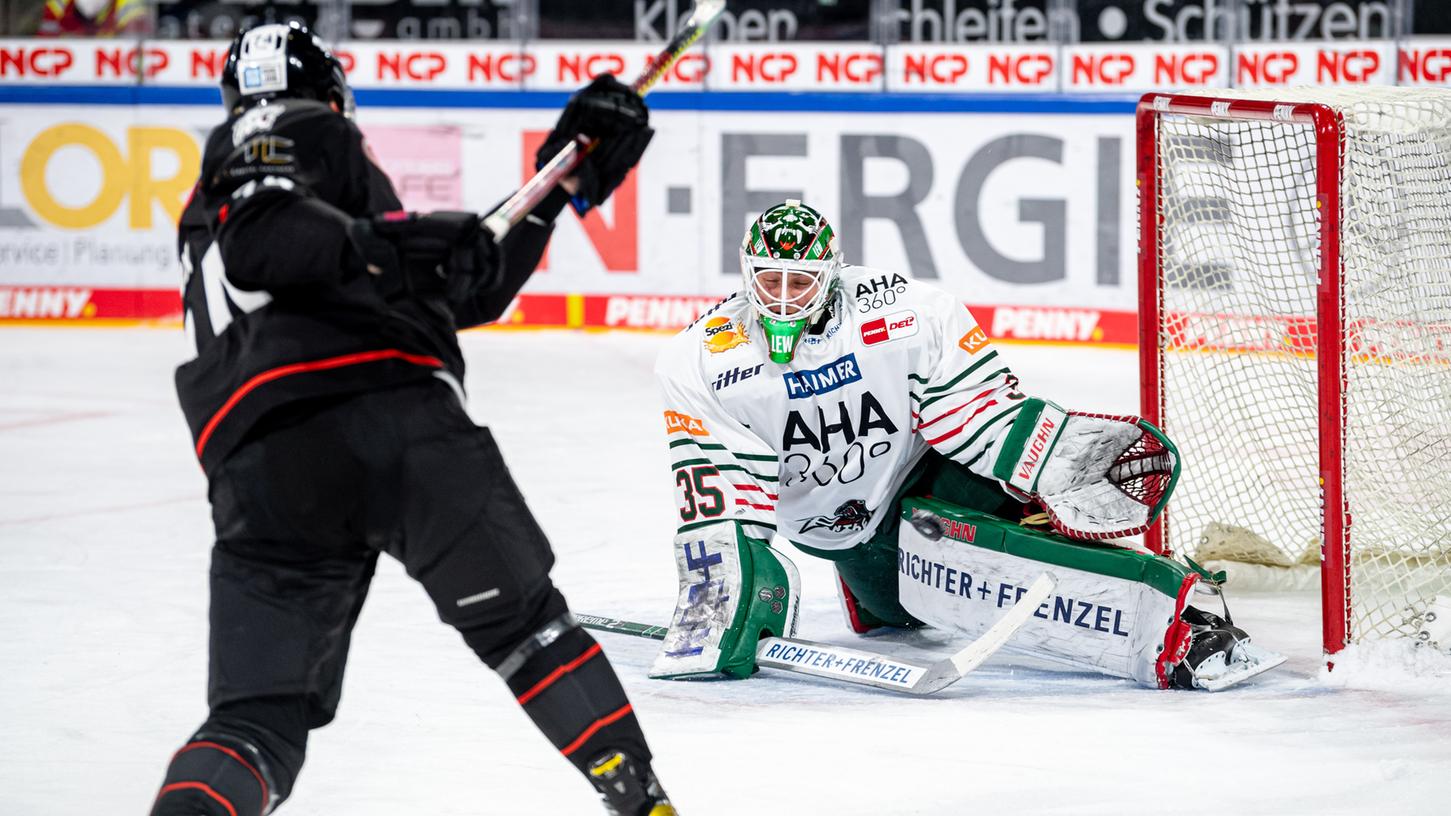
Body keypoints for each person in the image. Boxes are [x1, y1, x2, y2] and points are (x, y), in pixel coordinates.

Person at [152, 21, 672, 816]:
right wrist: (398, 243)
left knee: (255, 724)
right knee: (530, 636)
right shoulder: (278, 126)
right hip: (395, 416)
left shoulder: (268, 212)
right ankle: (643, 803)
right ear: (328, 96)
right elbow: (273, 242)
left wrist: (553, 188)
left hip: (261, 470)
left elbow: (461, 287)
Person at [648, 200, 1284, 692]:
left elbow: (976, 414)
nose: (783, 296)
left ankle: (1171, 627)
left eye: (801, 281)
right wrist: (718, 604)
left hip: (921, 477)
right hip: (839, 533)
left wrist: (1058, 457)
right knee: (908, 604)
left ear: (832, 273)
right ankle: (870, 586)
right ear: (746, 271)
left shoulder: (900, 313)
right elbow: (723, 492)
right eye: (769, 279)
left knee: (992, 540)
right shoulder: (700, 357)